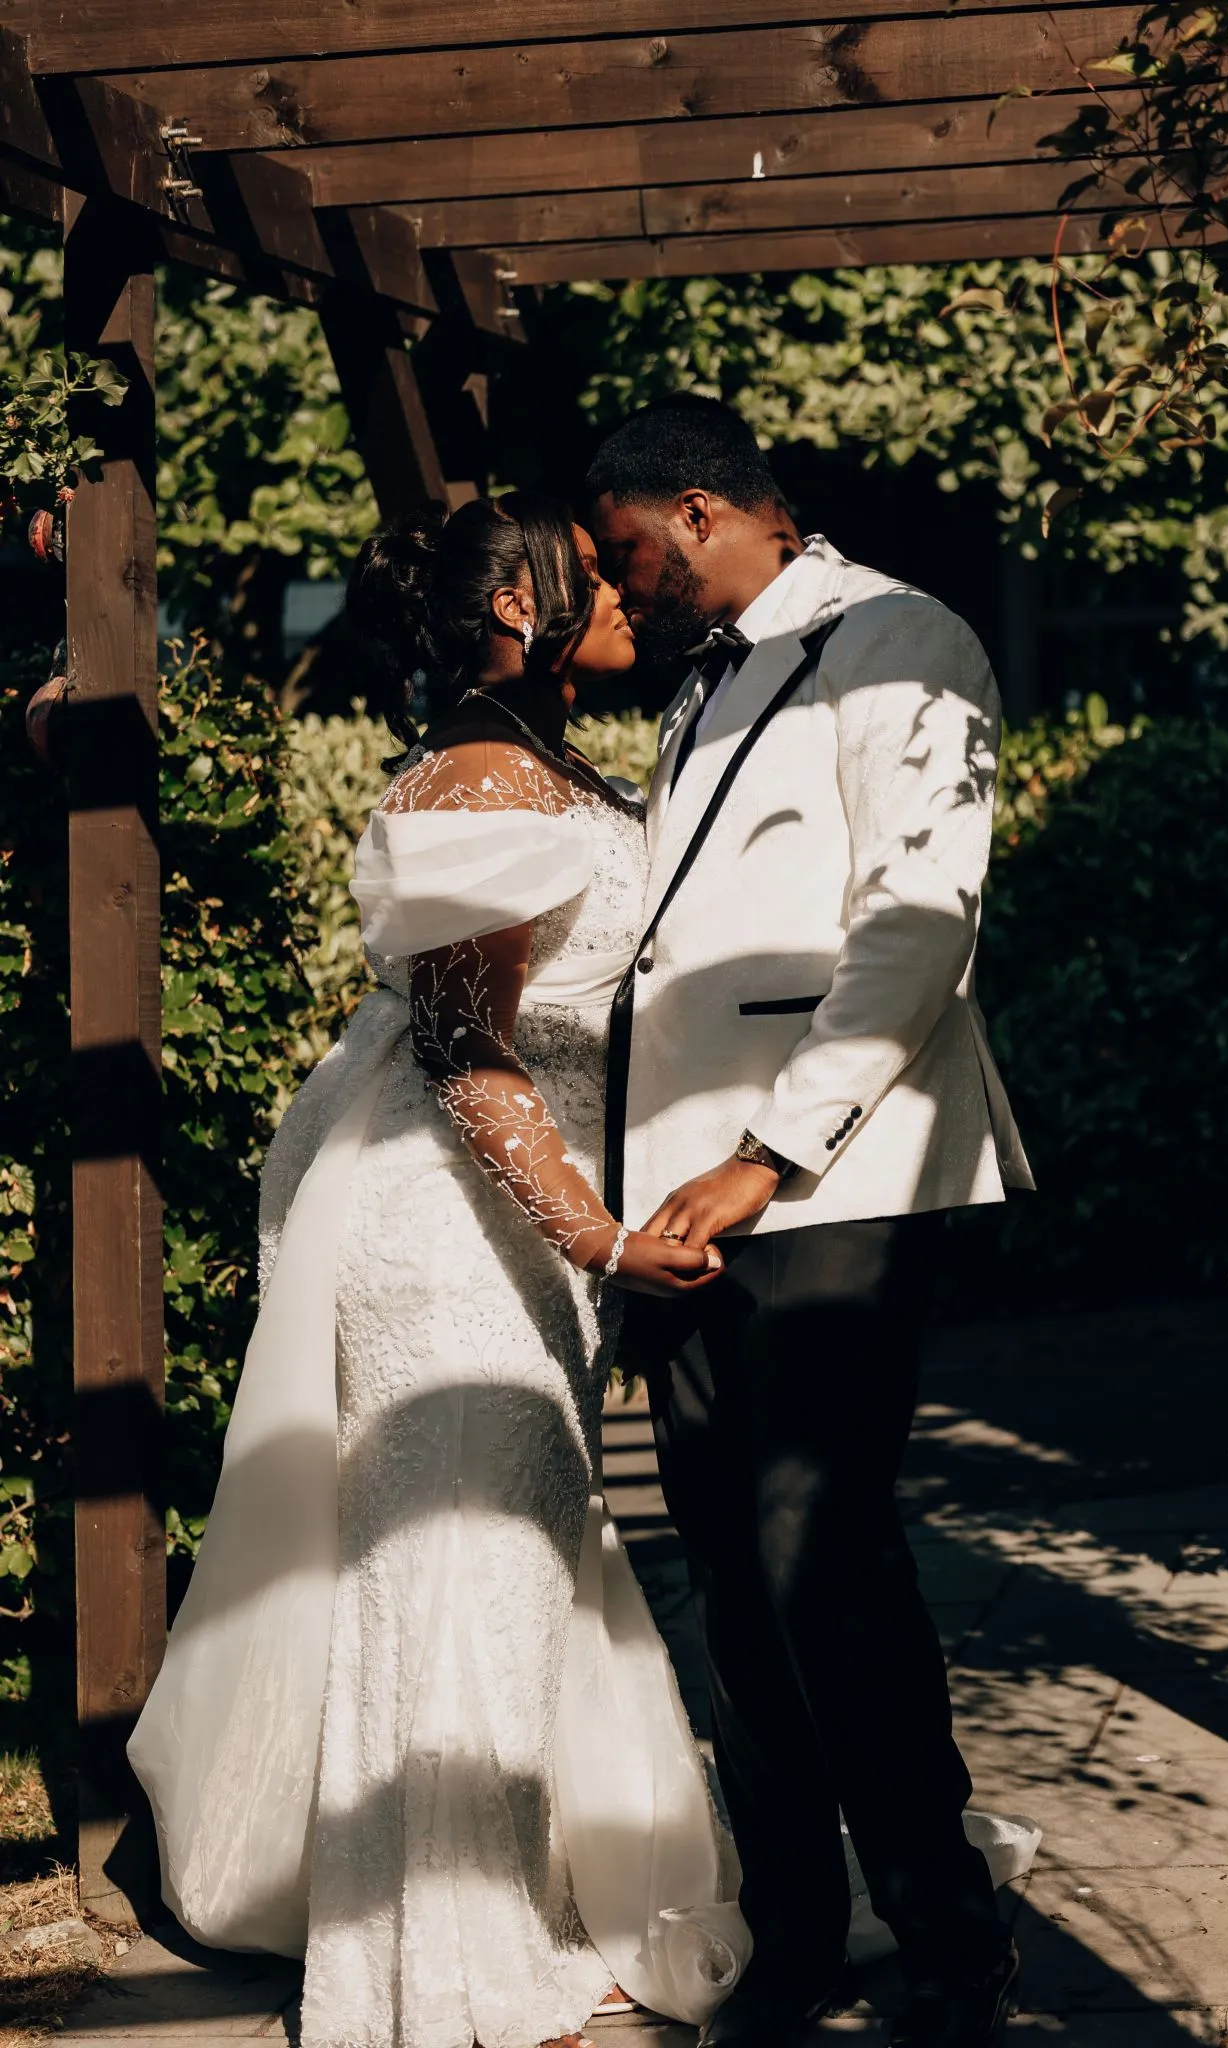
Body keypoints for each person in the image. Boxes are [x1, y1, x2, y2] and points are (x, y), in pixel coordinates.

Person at [127, 496, 745, 2048]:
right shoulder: (477, 776)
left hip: (519, 1228)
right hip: (454, 1234)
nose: (622, 593)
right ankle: (437, 1948)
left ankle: (525, 1885)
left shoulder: (540, 761)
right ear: (511, 614)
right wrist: (602, 1235)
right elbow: (469, 1047)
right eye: (592, 579)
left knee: (520, 1554)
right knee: (457, 1553)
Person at [586, 397, 1035, 2048]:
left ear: (700, 509)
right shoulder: (704, 680)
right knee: (723, 1564)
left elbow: (920, 921)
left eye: (628, 554)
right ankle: (789, 1931)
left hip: (831, 1178)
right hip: (679, 1201)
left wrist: (771, 1155)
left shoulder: (900, 635)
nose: (619, 596)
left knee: (817, 1557)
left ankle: (944, 1932)